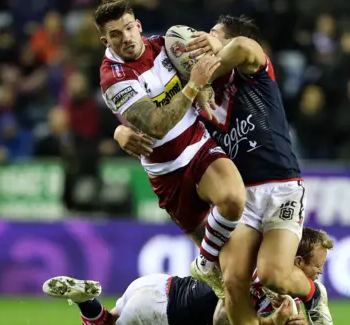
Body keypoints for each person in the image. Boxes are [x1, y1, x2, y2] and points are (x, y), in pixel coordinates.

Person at [114, 15, 333, 325]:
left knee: (275, 276)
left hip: (281, 186)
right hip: (241, 198)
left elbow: (245, 47)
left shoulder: (251, 73)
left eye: (213, 34)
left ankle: (312, 293)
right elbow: (154, 114)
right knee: (233, 282)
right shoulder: (196, 95)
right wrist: (121, 131)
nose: (201, 38)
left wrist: (218, 49)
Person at [0, 228, 333, 325]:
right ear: (298, 260)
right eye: (316, 266)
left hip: (156, 287)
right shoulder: (265, 279)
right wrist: (272, 323)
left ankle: (87, 302)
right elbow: (226, 318)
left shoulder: (266, 268)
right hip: (162, 316)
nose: (319, 273)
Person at [95, 1, 245, 284]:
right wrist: (194, 85)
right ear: (106, 40)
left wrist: (209, 54)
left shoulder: (168, 44)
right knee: (229, 272)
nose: (126, 37)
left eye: (129, 28)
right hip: (167, 173)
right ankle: (227, 283)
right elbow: (157, 125)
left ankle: (205, 264)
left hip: (198, 146)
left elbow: (214, 57)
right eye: (116, 34)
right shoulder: (112, 78)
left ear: (138, 26)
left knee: (234, 199)